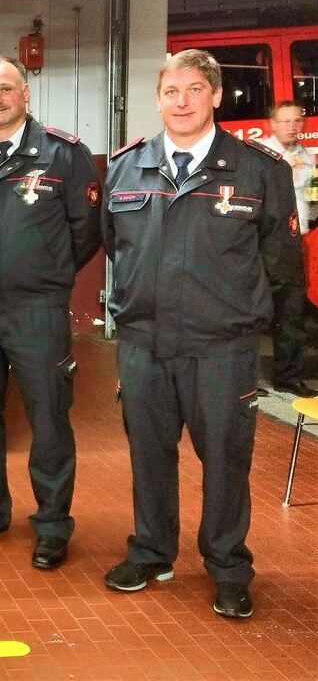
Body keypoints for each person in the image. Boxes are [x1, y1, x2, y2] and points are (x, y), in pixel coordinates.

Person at [102, 49, 302, 618]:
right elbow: (115, 245)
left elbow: (283, 264)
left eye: (194, 89)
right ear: (158, 99)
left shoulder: (258, 170)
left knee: (226, 460)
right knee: (149, 455)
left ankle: (228, 566)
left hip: (222, 349)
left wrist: (261, 334)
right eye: (171, 91)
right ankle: (151, 553)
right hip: (144, 345)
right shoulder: (126, 167)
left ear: (215, 95)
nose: (182, 101)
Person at [0, 55, 102, 570]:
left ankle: (52, 524)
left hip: (37, 311)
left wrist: (45, 274)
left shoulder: (63, 154)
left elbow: (86, 232)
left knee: (48, 417)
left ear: (25, 94)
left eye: (6, 89)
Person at [261, 101, 316, 396]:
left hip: (297, 242)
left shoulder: (307, 156)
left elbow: (311, 198)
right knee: (252, 313)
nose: (292, 127)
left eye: (297, 121)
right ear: (273, 124)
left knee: (292, 312)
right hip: (266, 244)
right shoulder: (260, 155)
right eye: (285, 121)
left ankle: (288, 377)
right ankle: (242, 380)